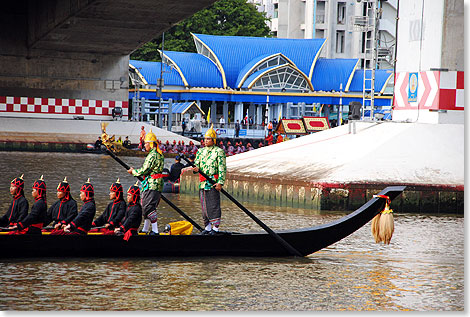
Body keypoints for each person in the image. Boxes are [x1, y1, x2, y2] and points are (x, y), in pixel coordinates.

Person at [127, 129, 164, 235]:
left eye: (146, 143)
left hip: (152, 183)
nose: (145, 145)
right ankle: (145, 229)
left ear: (151, 144)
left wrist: (133, 171)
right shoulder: (158, 153)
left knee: (148, 206)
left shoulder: (153, 155)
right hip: (154, 183)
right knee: (146, 206)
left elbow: (144, 170)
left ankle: (155, 230)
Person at [192, 124, 226, 235]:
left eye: (208, 139)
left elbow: (222, 168)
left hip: (212, 182)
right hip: (202, 182)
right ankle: (207, 227)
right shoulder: (200, 151)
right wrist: (195, 168)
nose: (205, 141)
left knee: (213, 204)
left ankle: (215, 228)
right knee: (204, 205)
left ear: (213, 140)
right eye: (205, 139)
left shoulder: (219, 151)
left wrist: (220, 182)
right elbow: (196, 164)